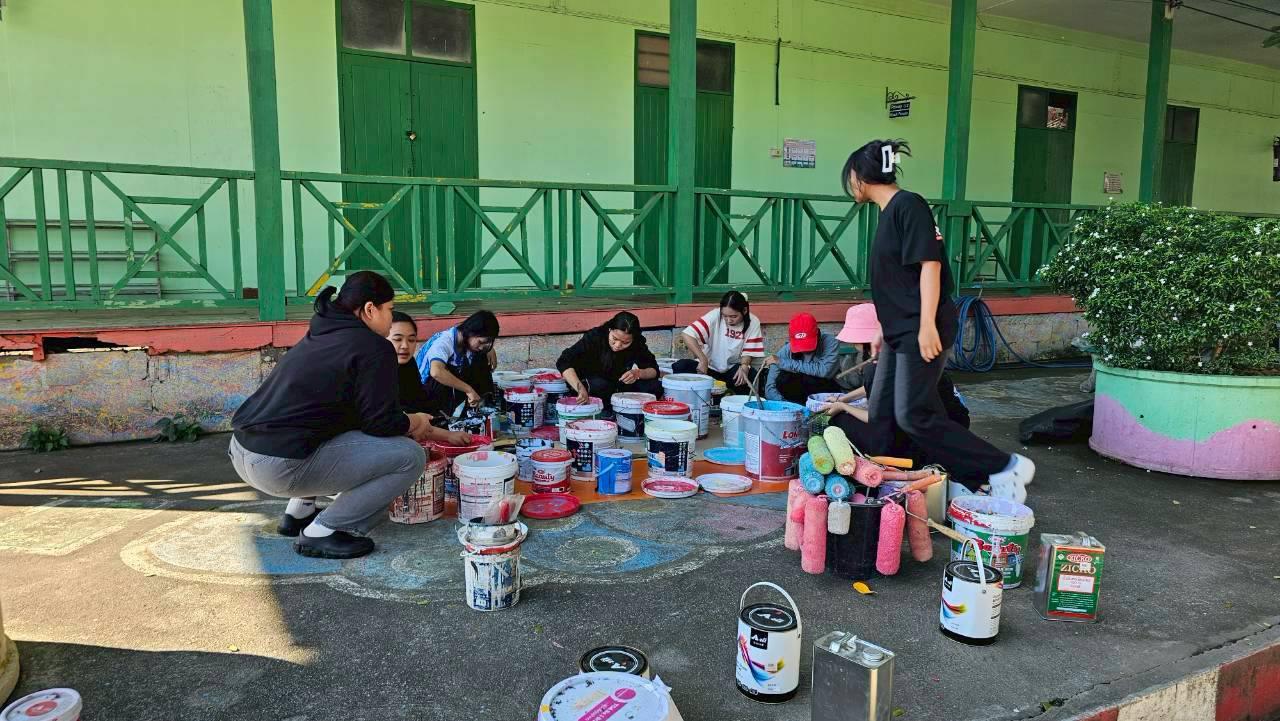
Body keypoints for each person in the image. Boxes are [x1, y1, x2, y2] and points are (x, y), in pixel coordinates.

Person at [840, 138, 1034, 502]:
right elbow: (899, 280)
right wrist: (883, 327)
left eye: (849, 176)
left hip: (920, 328)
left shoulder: (908, 205)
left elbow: (930, 265)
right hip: (900, 331)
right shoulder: (890, 212)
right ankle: (899, 483)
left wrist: (927, 324)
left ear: (859, 175)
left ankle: (1005, 466)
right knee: (884, 413)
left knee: (915, 414)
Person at [229, 272, 469, 560]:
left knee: (335, 431)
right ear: (370, 309)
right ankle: (323, 531)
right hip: (278, 466)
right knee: (409, 456)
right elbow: (382, 423)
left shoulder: (323, 332)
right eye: (389, 309)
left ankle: (299, 513)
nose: (391, 319)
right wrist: (416, 421)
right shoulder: (373, 346)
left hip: (242, 452)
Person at [820, 303, 971, 468]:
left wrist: (842, 406)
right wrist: (843, 398)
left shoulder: (876, 368)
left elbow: (876, 418)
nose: (854, 345)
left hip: (920, 447)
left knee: (839, 420)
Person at [556, 311, 662, 413]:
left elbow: (654, 370)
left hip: (618, 383)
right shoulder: (595, 337)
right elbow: (564, 361)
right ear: (610, 329)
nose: (618, 345)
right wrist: (579, 388)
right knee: (601, 385)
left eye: (625, 342)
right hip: (590, 384)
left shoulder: (637, 343)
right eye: (614, 339)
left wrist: (637, 374)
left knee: (655, 386)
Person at [672, 290, 763, 394]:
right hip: (708, 368)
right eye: (725, 316)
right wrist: (703, 360)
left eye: (733, 316)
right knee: (681, 366)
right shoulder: (715, 315)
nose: (729, 320)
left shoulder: (753, 321)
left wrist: (744, 366)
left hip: (731, 370)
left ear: (745, 310)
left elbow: (748, 351)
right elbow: (687, 334)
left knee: (749, 375)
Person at [415, 310, 500, 417]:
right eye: (481, 342)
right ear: (471, 332)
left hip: (451, 389)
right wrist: (468, 390)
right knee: (442, 373)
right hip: (427, 389)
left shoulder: (468, 341)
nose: (482, 346)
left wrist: (489, 349)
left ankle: (481, 407)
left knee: (481, 356)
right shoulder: (444, 341)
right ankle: (439, 416)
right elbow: (436, 372)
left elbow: (481, 349)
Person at [763, 312, 842, 403]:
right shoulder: (786, 350)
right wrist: (785, 405)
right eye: (800, 345)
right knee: (783, 379)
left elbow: (824, 371)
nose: (804, 350)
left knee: (810, 379)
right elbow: (770, 387)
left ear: (818, 334)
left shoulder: (830, 342)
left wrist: (784, 363)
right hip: (798, 398)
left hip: (825, 394)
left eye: (808, 344)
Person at [387, 311, 434, 414]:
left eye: (411, 340)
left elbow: (419, 398)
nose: (405, 346)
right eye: (398, 339)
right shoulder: (372, 369)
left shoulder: (409, 363)